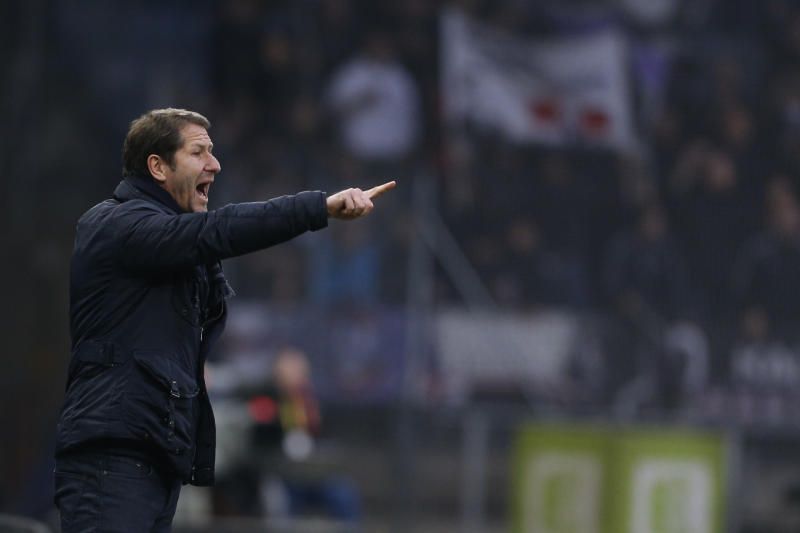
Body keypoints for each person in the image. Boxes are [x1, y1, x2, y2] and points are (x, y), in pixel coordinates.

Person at [52, 108, 395, 532]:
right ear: (157, 166)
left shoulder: (171, 246)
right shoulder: (115, 224)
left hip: (151, 454)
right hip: (113, 457)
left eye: (212, 152)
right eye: (198, 152)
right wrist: (318, 208)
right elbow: (218, 231)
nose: (214, 164)